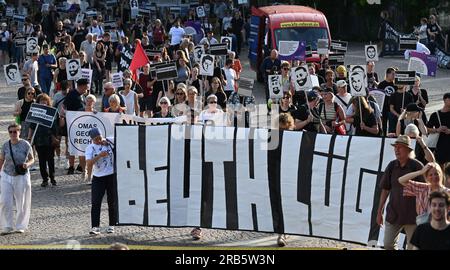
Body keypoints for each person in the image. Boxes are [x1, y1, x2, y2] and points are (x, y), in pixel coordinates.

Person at [377, 135, 424, 250]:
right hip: (394, 214)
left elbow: (426, 190)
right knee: (388, 245)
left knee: (412, 248)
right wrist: (379, 211)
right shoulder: (392, 166)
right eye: (395, 147)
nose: (396, 150)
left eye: (400, 147)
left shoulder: (417, 166)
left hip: (413, 216)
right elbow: (385, 189)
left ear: (408, 150)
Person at [0, 124, 34, 235]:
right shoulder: (5, 145)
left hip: (21, 176)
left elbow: (32, 159)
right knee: (5, 201)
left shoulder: (26, 144)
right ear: (8, 133)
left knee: (22, 202)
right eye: (11, 132)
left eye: (15, 131)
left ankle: (20, 225)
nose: (13, 134)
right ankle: (7, 225)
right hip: (6, 175)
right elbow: (1, 159)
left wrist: (27, 164)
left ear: (19, 132)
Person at [85, 127, 116, 235]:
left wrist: (108, 141)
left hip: (111, 176)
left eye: (100, 138)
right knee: (96, 202)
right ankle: (95, 227)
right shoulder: (90, 148)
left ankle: (112, 225)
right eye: (96, 139)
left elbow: (123, 137)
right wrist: (99, 156)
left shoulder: (109, 141)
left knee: (111, 202)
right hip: (98, 177)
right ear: (92, 139)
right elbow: (88, 163)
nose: (99, 141)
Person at [28, 94, 59, 187]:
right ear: (38, 102)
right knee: (41, 160)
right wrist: (29, 138)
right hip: (39, 139)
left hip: (50, 139)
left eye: (45, 101)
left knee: (50, 160)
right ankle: (45, 179)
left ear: (48, 101)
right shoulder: (35, 112)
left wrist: (56, 137)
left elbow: (57, 126)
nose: (43, 102)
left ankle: (52, 178)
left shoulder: (52, 112)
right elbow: (31, 127)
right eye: (41, 101)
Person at [63, 78, 89, 175]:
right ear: (82, 86)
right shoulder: (72, 94)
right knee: (72, 145)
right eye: (86, 86)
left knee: (82, 144)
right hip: (73, 124)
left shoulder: (83, 95)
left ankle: (81, 166)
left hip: (81, 125)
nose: (87, 88)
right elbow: (65, 107)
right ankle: (71, 166)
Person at [426, 93, 450, 165]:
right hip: (440, 147)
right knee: (441, 168)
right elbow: (427, 129)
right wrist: (437, 130)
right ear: (444, 100)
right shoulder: (435, 115)